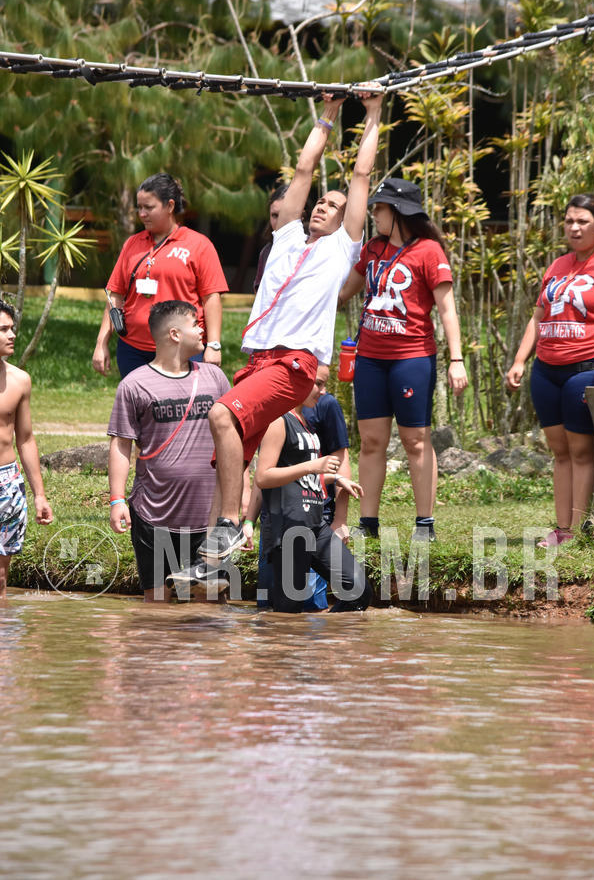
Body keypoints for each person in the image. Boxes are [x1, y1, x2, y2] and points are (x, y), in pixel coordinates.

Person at [198, 85, 384, 560]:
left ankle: (230, 524)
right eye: (321, 202)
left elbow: (362, 174)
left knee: (221, 414)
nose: (323, 206)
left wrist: (373, 112)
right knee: (228, 446)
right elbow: (304, 168)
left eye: (334, 207)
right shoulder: (285, 237)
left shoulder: (341, 250)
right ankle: (226, 531)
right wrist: (326, 112)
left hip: (295, 364)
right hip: (260, 361)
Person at [338, 178, 468, 542]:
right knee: (372, 441)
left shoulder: (429, 251)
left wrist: (456, 359)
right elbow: (343, 294)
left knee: (415, 440)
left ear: (396, 212)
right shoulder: (372, 249)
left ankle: (424, 523)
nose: (374, 214)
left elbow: (447, 310)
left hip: (412, 358)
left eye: (378, 209)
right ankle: (369, 524)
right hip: (370, 359)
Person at [107, 300, 230, 602]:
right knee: (157, 607)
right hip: (153, 515)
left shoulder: (216, 378)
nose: (203, 330)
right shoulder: (134, 385)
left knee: (209, 604)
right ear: (174, 334)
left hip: (208, 517)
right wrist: (117, 500)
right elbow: (121, 444)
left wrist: (239, 500)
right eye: (195, 324)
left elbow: (234, 443)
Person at [506, 193, 594, 547]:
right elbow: (538, 316)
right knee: (560, 452)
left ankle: (577, 531)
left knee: (580, 451)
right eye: (569, 221)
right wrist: (519, 360)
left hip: (586, 369)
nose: (574, 228)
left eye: (583, 222)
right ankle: (561, 529)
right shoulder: (557, 265)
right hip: (546, 371)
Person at [253, 375, 371, 614]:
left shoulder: (305, 421)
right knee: (288, 611)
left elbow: (298, 477)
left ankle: (327, 642)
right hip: (289, 527)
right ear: (297, 384)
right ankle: (284, 649)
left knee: (358, 590)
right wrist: (312, 467)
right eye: (318, 384)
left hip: (316, 525)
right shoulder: (278, 421)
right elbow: (263, 477)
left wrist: (336, 478)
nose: (323, 391)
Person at [93, 172, 229, 379]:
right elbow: (115, 296)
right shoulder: (132, 244)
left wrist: (214, 345)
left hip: (183, 351)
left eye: (149, 207)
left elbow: (211, 298)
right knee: (139, 409)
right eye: (139, 207)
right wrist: (101, 343)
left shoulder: (199, 245)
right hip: (133, 350)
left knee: (181, 410)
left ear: (170, 206)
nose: (142, 214)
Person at [0, 301, 52, 597]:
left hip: (6, 483)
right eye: (3, 329)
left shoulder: (20, 381)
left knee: (1, 578)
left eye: (12, 328)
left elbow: (26, 439)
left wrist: (39, 495)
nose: (12, 335)